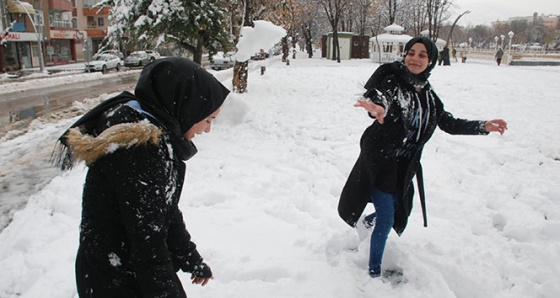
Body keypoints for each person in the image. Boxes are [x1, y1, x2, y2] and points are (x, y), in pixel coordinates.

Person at [52, 57, 230, 297]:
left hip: (123, 268)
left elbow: (164, 211)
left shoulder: (154, 135)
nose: (207, 129)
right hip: (116, 278)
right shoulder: (140, 151)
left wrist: (188, 256)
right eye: (207, 119)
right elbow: (148, 243)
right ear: (185, 108)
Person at [337, 37, 507, 278]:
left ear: (431, 61)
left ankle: (366, 225)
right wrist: (378, 108)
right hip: (382, 161)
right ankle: (373, 271)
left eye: (422, 55)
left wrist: (483, 126)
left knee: (396, 208)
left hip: (405, 166)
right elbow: (382, 96)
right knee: (386, 220)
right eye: (411, 53)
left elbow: (448, 122)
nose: (415, 58)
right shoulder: (393, 82)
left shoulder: (429, 96)